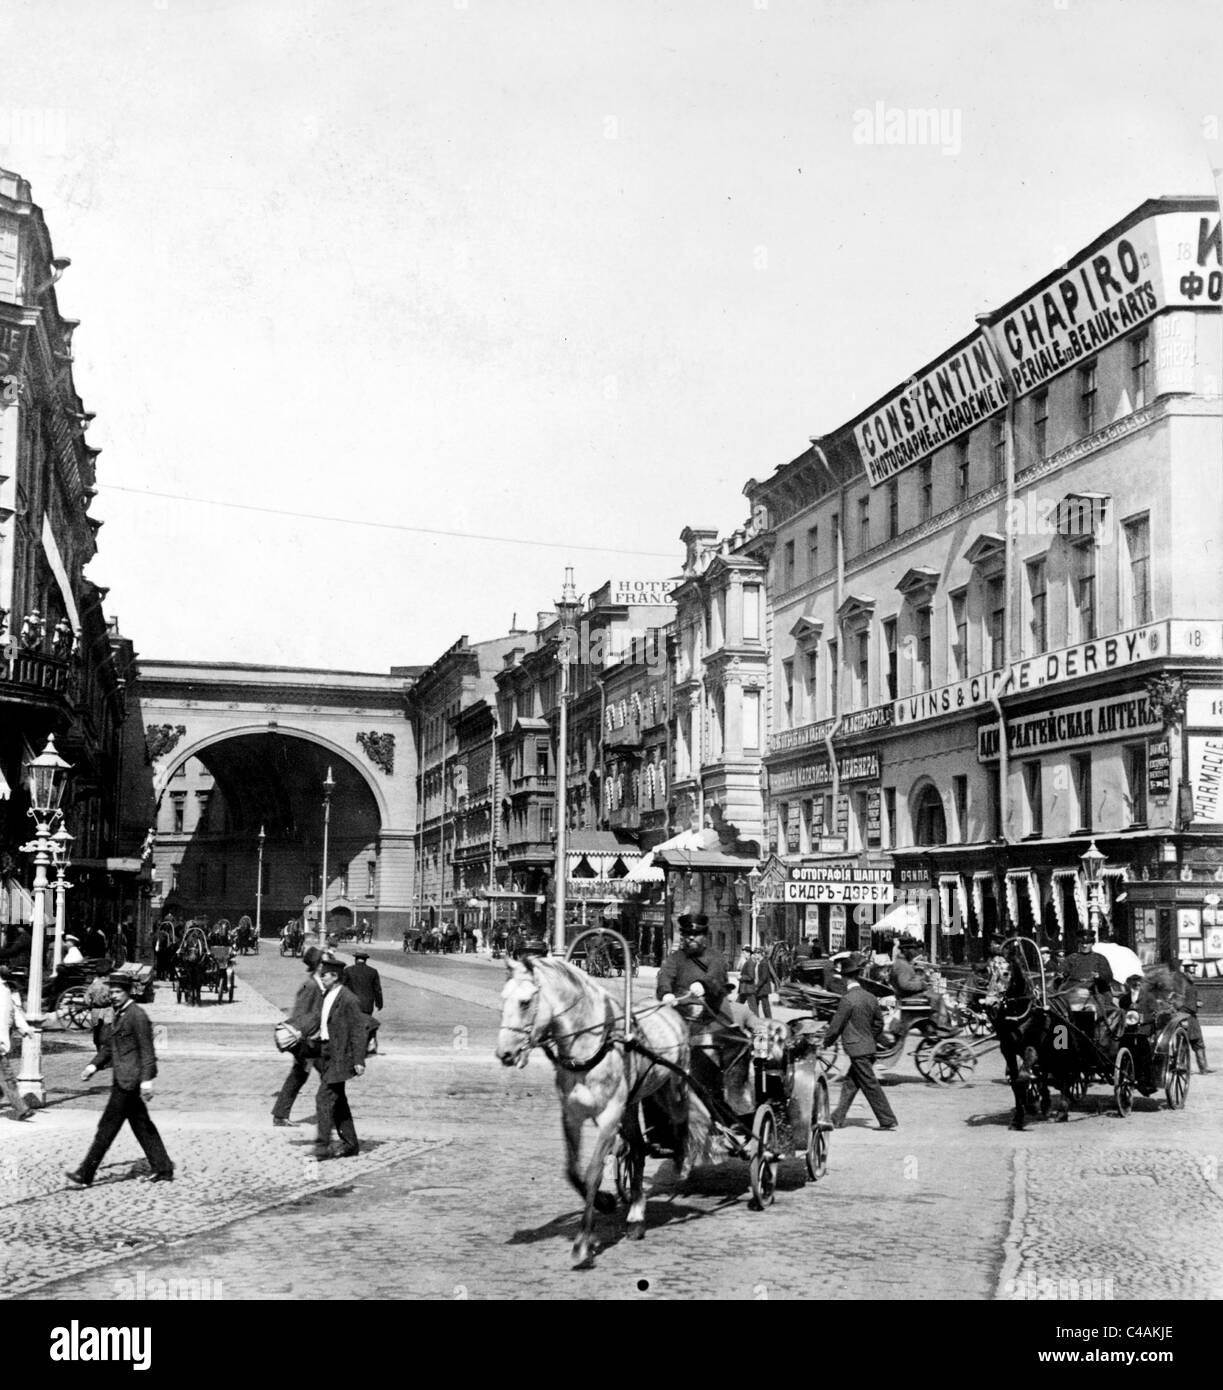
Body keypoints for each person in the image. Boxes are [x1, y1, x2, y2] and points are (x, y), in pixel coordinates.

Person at [65, 973, 174, 1186]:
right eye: (111, 992)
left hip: (129, 1082)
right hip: (123, 1079)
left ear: (128, 992)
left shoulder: (137, 1015)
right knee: (142, 1125)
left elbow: (147, 1051)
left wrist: (146, 1081)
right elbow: (109, 1047)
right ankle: (163, 1168)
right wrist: (93, 1066)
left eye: (117, 992)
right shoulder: (120, 1013)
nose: (113, 996)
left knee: (107, 1128)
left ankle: (85, 1174)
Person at [823, 952, 898, 1131]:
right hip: (868, 1047)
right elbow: (879, 1023)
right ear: (857, 976)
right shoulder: (870, 997)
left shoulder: (847, 1000)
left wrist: (826, 1042)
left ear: (845, 979)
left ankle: (887, 1119)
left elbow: (836, 1026)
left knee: (870, 1085)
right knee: (850, 1084)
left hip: (857, 1051)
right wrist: (868, 1037)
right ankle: (837, 1119)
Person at [313, 958, 368, 1159]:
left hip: (340, 1056)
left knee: (324, 1098)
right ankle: (351, 1144)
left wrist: (359, 1060)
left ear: (335, 977)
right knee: (338, 1101)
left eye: (324, 975)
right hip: (326, 1053)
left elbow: (358, 1031)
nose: (321, 978)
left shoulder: (349, 999)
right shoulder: (327, 994)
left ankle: (322, 1147)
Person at [272, 946, 326, 1127]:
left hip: (313, 1039)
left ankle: (280, 1114)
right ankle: (331, 1115)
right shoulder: (311, 986)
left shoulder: (318, 984)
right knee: (329, 1076)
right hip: (309, 1041)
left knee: (299, 1076)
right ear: (318, 966)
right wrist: (305, 1037)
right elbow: (301, 1013)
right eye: (324, 962)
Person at [657, 914, 731, 1021]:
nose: (691, 937)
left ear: (704, 935)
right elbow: (665, 976)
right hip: (680, 1013)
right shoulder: (675, 957)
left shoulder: (716, 956)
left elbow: (716, 975)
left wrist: (704, 985)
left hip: (710, 1015)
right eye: (688, 934)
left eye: (696, 934)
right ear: (683, 936)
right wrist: (665, 993)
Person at [890, 934, 951, 1028]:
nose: (914, 952)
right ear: (905, 950)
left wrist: (919, 979)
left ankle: (935, 1025)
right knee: (937, 998)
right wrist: (921, 984)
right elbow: (905, 985)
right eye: (912, 950)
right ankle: (941, 1025)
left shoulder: (902, 962)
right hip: (909, 996)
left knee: (935, 996)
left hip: (907, 995)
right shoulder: (901, 965)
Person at [0, 968, 33, 1121]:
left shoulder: (6, 989)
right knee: (7, 1077)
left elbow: (14, 1011)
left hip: (2, 1040)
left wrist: (25, 1029)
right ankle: (21, 1108)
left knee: (5, 1078)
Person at [1170, 957, 1212, 1074]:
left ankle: (1203, 1067)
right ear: (1185, 970)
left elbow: (1194, 998)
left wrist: (1198, 1002)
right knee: (1183, 1042)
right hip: (1184, 1016)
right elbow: (1176, 1001)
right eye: (1190, 971)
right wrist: (1180, 1014)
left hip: (1193, 1017)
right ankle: (1180, 1065)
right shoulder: (1181, 984)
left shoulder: (1191, 984)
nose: (1192, 973)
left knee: (1198, 1042)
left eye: (1193, 971)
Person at [343, 950, 384, 1056]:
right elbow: (377, 989)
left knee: (352, 1025)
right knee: (366, 1025)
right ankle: (367, 1047)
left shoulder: (348, 971)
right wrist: (379, 1003)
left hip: (353, 1004)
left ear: (355, 959)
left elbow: (342, 987)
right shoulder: (373, 971)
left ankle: (352, 1048)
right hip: (367, 1004)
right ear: (365, 960)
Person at [737, 945, 779, 1019]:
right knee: (755, 1005)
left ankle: (769, 1020)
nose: (755, 955)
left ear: (760, 954)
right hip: (759, 988)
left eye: (756, 953)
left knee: (765, 1006)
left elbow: (763, 977)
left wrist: (757, 986)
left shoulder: (764, 963)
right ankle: (758, 1019)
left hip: (763, 988)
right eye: (755, 953)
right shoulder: (758, 963)